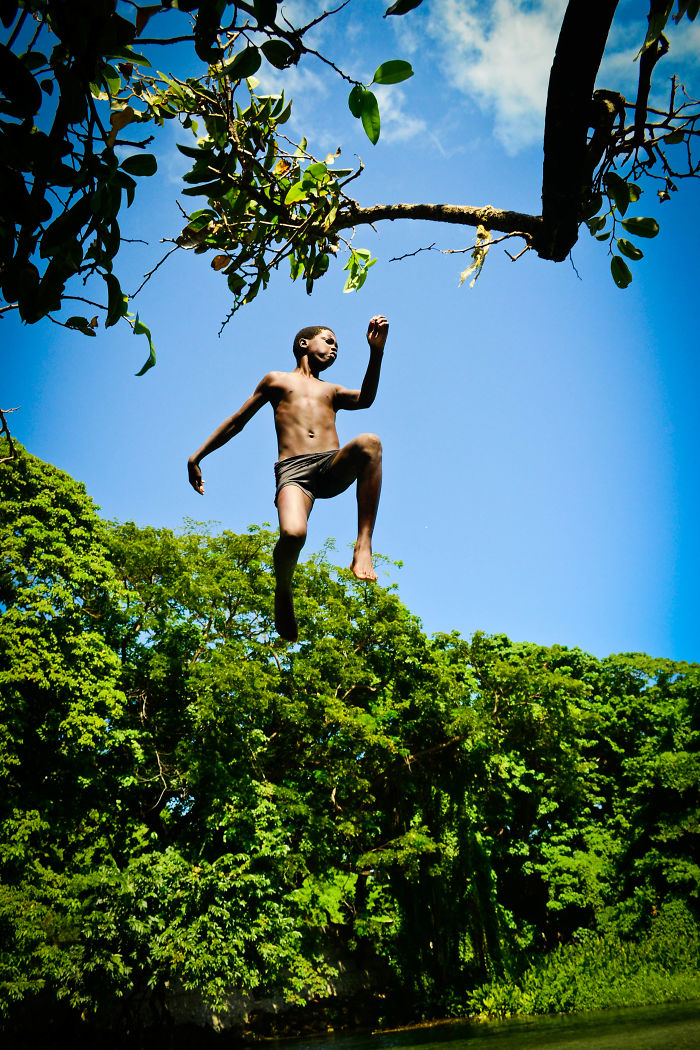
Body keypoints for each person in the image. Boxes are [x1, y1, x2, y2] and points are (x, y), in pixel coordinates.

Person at [188, 315, 389, 641]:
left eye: (337, 345)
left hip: (330, 465)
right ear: (303, 344)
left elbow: (366, 399)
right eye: (329, 341)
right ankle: (283, 588)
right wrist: (197, 456)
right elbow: (238, 421)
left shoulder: (332, 390)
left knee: (370, 442)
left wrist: (376, 352)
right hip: (294, 472)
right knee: (293, 534)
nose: (334, 348)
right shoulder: (277, 381)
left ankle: (363, 545)